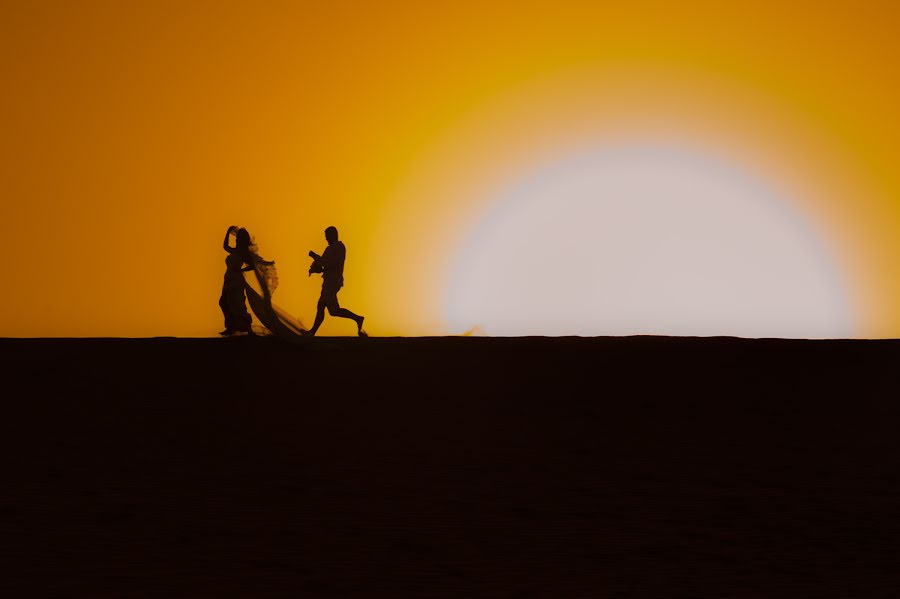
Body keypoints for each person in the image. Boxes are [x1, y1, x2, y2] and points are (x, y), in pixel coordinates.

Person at [303, 226, 367, 337]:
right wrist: (315, 269)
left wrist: (315, 256)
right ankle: (358, 318)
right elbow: (324, 266)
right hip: (329, 282)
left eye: (327, 236)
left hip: (333, 282)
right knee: (334, 311)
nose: (326, 239)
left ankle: (312, 332)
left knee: (321, 305)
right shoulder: (329, 248)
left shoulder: (339, 247)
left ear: (333, 235)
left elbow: (327, 263)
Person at [219, 225, 255, 336]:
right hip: (228, 279)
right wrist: (227, 232)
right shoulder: (235, 250)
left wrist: (240, 270)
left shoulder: (244, 253)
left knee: (237, 303)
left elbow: (252, 266)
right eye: (236, 237)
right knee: (224, 302)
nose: (236, 239)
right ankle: (231, 327)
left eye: (238, 238)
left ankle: (247, 328)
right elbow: (225, 246)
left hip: (236, 281)